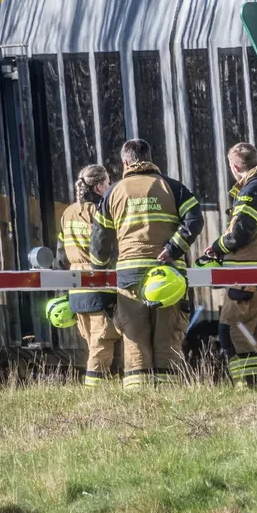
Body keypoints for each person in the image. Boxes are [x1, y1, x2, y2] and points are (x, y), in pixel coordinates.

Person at [90, 139, 203, 388]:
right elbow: (195, 219)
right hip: (168, 275)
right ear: (151, 157)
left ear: (125, 162)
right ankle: (168, 393)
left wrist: (99, 270)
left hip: (129, 274)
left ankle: (139, 397)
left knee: (135, 337)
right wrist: (173, 248)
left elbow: (100, 239)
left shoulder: (113, 192)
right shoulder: (173, 187)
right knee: (168, 335)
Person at [202, 142, 257, 386]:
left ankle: (246, 385)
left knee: (232, 332)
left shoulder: (251, 189)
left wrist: (216, 248)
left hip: (246, 275)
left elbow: (240, 234)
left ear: (235, 166)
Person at [56, 164, 118, 387]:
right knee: (102, 342)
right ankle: (95, 391)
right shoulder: (102, 210)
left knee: (92, 342)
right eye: (109, 182)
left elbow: (60, 256)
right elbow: (107, 246)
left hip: (76, 287)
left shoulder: (68, 212)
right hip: (99, 285)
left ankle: (98, 388)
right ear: (100, 186)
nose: (110, 186)